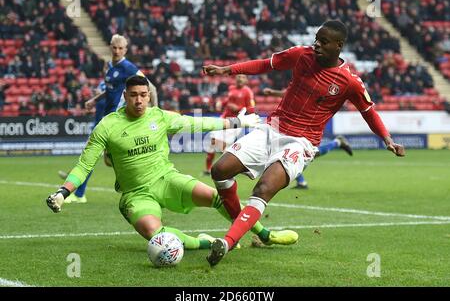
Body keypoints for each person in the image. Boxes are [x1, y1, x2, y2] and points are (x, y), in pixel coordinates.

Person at [202, 19, 405, 267]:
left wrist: (387, 139)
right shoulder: (300, 55)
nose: (317, 45)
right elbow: (266, 64)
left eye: (324, 41)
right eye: (316, 39)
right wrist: (227, 70)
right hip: (271, 128)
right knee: (220, 170)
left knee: (263, 189)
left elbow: (368, 111)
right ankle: (247, 231)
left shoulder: (349, 81)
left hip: (301, 142)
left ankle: (228, 242)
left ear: (339, 45)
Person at [46, 75, 299, 252]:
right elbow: (84, 165)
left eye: (143, 95)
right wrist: (63, 191)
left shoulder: (159, 117)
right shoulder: (108, 126)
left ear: (148, 96)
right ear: (125, 96)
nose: (139, 101)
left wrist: (237, 123)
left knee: (219, 197)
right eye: (133, 95)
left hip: (166, 180)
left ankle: (265, 235)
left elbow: (195, 124)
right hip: (136, 194)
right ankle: (205, 242)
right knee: (157, 237)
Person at [62, 34, 157, 203]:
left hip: (116, 120)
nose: (117, 51)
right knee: (107, 159)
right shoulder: (112, 68)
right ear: (110, 48)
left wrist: (154, 111)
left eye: (121, 48)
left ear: (125, 50)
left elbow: (151, 87)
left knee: (90, 156)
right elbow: (111, 90)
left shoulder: (127, 67)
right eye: (114, 47)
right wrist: (94, 100)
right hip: (107, 118)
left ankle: (76, 193)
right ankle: (80, 192)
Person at [262, 87, 353, 189]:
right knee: (286, 151)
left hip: (307, 127)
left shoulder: (316, 87)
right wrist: (273, 92)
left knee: (308, 153)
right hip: (293, 124)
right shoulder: (303, 83)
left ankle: (337, 143)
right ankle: (301, 182)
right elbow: (288, 93)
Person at [204, 74, 255, 175]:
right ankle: (208, 169)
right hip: (223, 118)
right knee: (212, 142)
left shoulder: (248, 92)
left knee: (221, 145)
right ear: (235, 78)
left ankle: (235, 164)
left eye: (243, 77)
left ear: (246, 80)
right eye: (238, 77)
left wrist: (237, 108)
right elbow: (228, 101)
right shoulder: (231, 88)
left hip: (235, 122)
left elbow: (251, 109)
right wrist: (221, 103)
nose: (240, 78)